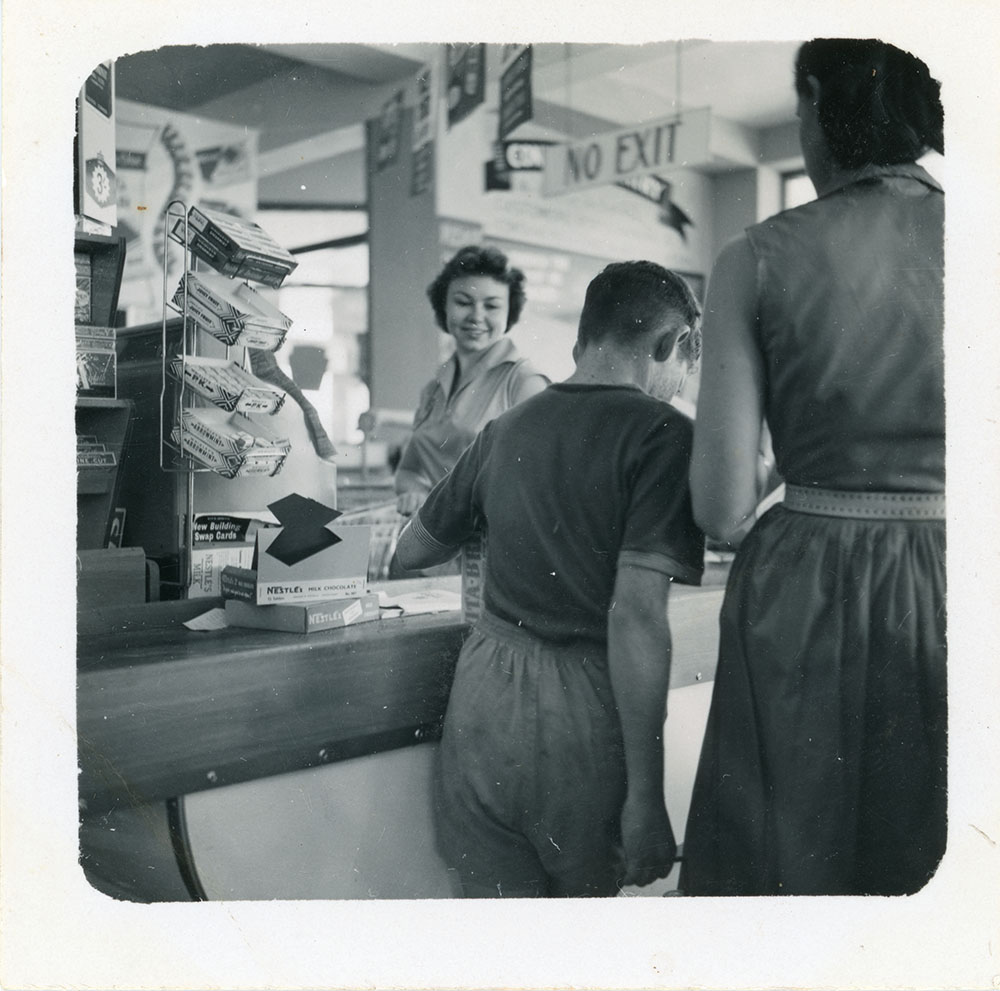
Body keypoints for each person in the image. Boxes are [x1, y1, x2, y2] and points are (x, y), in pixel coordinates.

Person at [680, 38, 946, 896]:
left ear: (816, 104)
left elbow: (720, 506)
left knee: (797, 869)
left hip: (811, 589)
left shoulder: (756, 255)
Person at [392, 261, 705, 897]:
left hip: (481, 696)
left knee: (496, 931)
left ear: (579, 340)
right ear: (674, 345)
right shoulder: (665, 435)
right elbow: (638, 617)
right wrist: (647, 799)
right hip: (582, 713)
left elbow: (411, 551)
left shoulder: (503, 429)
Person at [394, 245, 549, 518]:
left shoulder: (524, 381)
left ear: (509, 312)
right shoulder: (433, 390)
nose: (477, 316)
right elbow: (408, 470)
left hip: (500, 544)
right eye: (463, 302)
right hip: (440, 545)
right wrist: (413, 492)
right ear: (444, 307)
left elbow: (544, 478)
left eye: (491, 306)